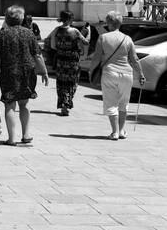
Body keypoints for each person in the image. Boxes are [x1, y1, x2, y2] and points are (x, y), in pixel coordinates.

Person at [0, 4, 48, 145]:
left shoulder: (3, 34)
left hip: (9, 73)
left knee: (9, 104)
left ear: (7, 19)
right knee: (24, 103)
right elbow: (38, 55)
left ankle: (11, 139)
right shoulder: (29, 33)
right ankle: (26, 134)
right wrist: (44, 71)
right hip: (27, 73)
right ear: (21, 18)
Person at [91, 10, 145, 139]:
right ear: (120, 23)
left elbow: (96, 58)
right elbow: (134, 59)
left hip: (109, 72)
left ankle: (114, 132)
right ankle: (121, 131)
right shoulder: (128, 39)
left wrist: (91, 72)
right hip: (127, 74)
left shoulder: (103, 38)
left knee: (111, 102)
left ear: (109, 23)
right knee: (123, 103)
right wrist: (141, 74)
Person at [50, 10, 85, 115]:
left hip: (61, 60)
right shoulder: (75, 31)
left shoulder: (56, 30)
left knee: (61, 83)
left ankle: (63, 104)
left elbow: (53, 46)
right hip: (73, 61)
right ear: (70, 19)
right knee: (72, 83)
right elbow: (85, 42)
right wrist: (86, 32)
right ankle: (67, 104)